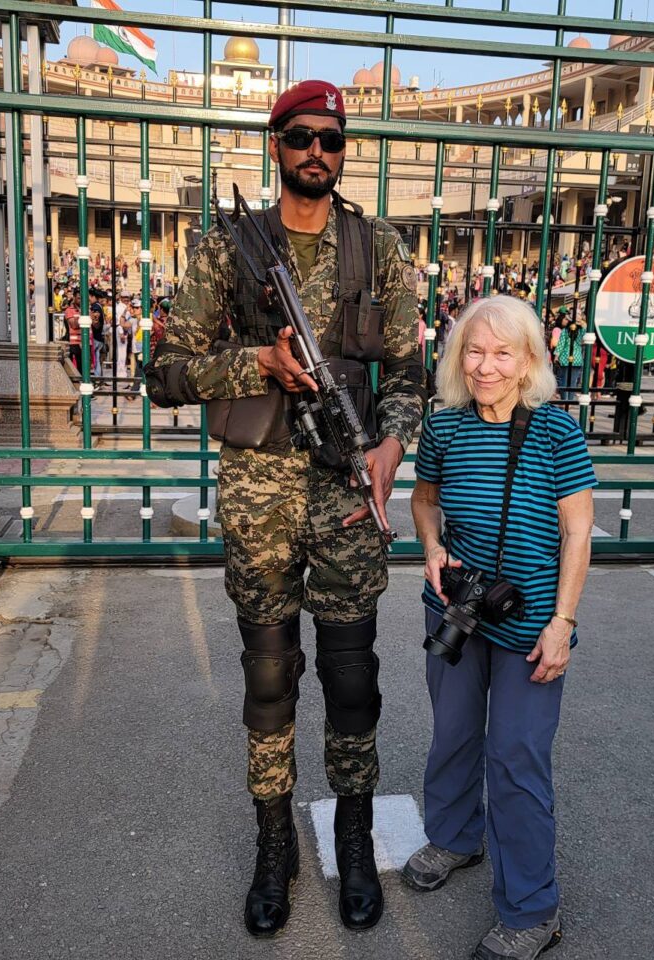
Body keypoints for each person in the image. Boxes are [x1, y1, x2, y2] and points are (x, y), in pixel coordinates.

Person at [146, 79, 429, 936]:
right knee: (269, 679)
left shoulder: (378, 247)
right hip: (259, 489)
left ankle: (350, 837)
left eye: (332, 140)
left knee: (352, 677)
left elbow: (413, 370)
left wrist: (390, 446)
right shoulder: (226, 250)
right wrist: (257, 366)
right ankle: (274, 844)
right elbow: (162, 375)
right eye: (302, 135)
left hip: (348, 489)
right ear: (276, 144)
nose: (319, 152)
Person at [403, 295, 596, 960]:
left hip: (530, 623)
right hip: (457, 608)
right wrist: (430, 546)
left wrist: (563, 622)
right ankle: (455, 837)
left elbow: (577, 531)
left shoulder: (555, 433)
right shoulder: (445, 427)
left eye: (501, 353)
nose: (485, 367)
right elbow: (424, 498)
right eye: (474, 352)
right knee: (454, 734)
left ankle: (533, 910)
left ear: (528, 362)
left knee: (516, 758)